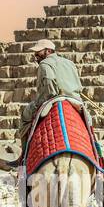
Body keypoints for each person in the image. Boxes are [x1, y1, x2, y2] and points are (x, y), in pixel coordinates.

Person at [10, 39, 86, 167]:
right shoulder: (69, 63)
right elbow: (78, 85)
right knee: (88, 122)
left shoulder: (45, 64)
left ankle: (23, 158)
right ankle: (98, 159)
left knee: (25, 115)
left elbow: (50, 87)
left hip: (53, 98)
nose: (36, 55)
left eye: (38, 52)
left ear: (48, 51)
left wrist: (40, 101)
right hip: (75, 100)